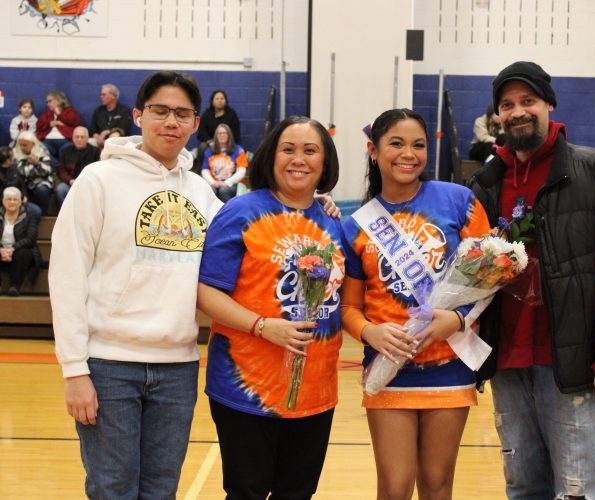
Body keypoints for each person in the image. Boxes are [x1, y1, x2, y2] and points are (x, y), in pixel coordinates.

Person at [466, 61, 595, 499]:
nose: (517, 111)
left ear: (549, 105)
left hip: (573, 364)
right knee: (523, 488)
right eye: (507, 105)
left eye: (528, 101)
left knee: (580, 491)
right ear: (497, 117)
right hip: (506, 362)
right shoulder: (487, 181)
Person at [49, 70, 223, 499]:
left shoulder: (202, 194)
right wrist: (74, 370)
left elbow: (252, 232)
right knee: (113, 490)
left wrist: (315, 205)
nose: (171, 122)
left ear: (196, 123)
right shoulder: (98, 180)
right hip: (108, 367)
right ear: (138, 115)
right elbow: (67, 275)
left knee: (161, 491)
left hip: (178, 367)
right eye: (160, 111)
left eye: (182, 114)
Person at [341, 108, 491, 500]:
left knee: (438, 485)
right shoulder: (356, 224)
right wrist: (370, 332)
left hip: (449, 365)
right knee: (394, 487)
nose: (408, 153)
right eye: (396, 143)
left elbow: (491, 278)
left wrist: (456, 322)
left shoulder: (460, 201)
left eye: (418, 145)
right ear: (373, 150)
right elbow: (349, 309)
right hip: (389, 368)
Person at [197, 116, 345, 499]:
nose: (299, 159)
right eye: (288, 149)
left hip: (315, 391)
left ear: (325, 163)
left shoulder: (334, 223)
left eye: (310, 150)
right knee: (246, 493)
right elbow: (206, 294)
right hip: (246, 390)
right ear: (270, 156)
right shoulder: (241, 212)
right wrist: (263, 325)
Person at [0, 186, 41, 296]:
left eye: (15, 199)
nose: (12, 202)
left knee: (24, 252)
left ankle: (15, 287)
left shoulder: (29, 216)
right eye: (9, 199)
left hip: (19, 252)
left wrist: (12, 248)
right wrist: (1, 250)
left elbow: (31, 239)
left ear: (20, 201)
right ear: (3, 201)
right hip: (2, 252)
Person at [194, 89, 241, 173]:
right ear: (212, 101)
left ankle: (230, 174)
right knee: (202, 147)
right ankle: (199, 172)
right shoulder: (207, 114)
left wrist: (225, 142)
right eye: (217, 98)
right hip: (211, 143)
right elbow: (201, 131)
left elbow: (236, 133)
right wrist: (210, 142)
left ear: (225, 100)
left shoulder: (231, 114)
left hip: (227, 143)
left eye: (222, 98)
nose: (220, 101)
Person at [55, 126, 101, 210]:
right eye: (77, 137)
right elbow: (60, 170)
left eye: (82, 137)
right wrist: (70, 180)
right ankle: (64, 215)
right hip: (69, 182)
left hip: (87, 183)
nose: (79, 139)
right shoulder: (65, 151)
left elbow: (97, 171)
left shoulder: (96, 152)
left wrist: (82, 182)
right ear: (72, 138)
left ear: (87, 138)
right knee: (61, 189)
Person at [200, 123, 248, 202]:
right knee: (210, 190)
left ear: (229, 135)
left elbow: (241, 171)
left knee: (224, 191)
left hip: (231, 183)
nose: (222, 135)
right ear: (216, 136)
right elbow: (205, 170)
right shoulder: (209, 151)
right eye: (219, 133)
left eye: (225, 133)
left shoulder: (239, 151)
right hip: (214, 182)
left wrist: (227, 183)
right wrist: (213, 182)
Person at [35, 90, 81, 167]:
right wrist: (49, 124)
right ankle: (57, 166)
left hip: (65, 140)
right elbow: (39, 126)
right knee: (40, 148)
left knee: (69, 149)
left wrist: (59, 115)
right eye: (47, 102)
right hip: (48, 140)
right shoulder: (46, 114)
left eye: (50, 101)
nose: (48, 104)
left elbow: (76, 124)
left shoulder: (70, 111)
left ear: (58, 101)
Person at [13, 131, 53, 215]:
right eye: (21, 145)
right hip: (22, 183)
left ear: (33, 144)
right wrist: (34, 169)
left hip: (40, 182)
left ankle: (44, 216)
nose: (22, 147)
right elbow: (20, 172)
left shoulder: (42, 152)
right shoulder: (15, 154)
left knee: (42, 190)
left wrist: (37, 164)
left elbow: (46, 172)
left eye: (25, 145)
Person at [0, 147, 41, 219]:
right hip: (3, 202)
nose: (15, 158)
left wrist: (24, 195)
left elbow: (22, 184)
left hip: (19, 200)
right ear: (7, 161)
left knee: (36, 211)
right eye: (12, 156)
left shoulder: (16, 168)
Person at [89, 84, 132, 148]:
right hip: (100, 139)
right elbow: (92, 128)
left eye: (104, 94)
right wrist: (97, 137)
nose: (101, 97)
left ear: (113, 96)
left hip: (117, 140)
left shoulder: (124, 110)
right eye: (101, 95)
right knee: (89, 141)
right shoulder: (98, 110)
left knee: (115, 136)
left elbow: (124, 128)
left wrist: (108, 131)